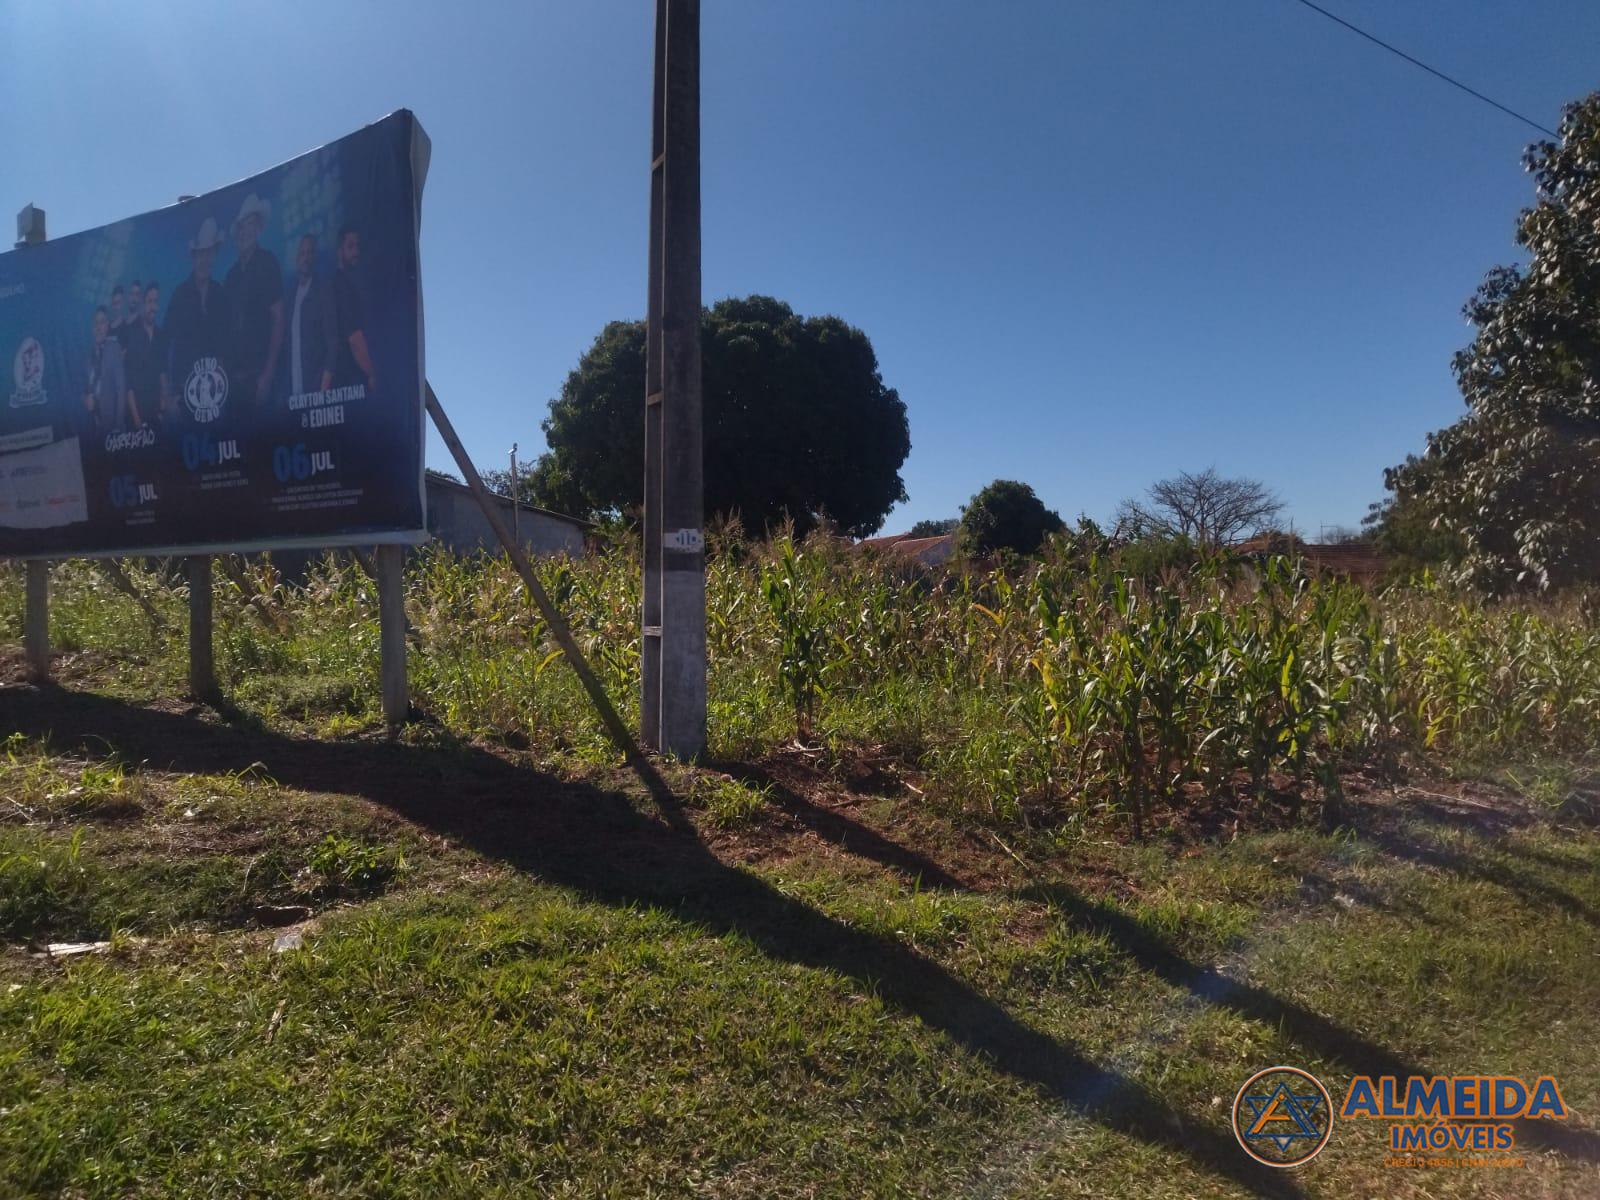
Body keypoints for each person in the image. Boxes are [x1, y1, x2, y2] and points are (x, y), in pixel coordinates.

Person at [165, 216, 233, 424]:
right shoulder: (180, 295)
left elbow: (227, 346)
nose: (205, 260)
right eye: (201, 254)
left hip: (218, 394)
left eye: (209, 253)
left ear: (214, 256)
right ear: (193, 257)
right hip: (183, 394)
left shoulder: (221, 295)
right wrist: (167, 395)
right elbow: (165, 345)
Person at [224, 193, 283, 407]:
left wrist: (268, 374)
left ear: (258, 229)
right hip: (233, 380)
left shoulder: (267, 263)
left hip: (259, 377)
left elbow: (278, 318)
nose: (244, 231)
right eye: (241, 226)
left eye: (250, 224)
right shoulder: (231, 276)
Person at [286, 233, 337, 396]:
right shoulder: (290, 295)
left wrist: (323, 390)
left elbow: (333, 344)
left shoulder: (324, 291)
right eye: (302, 253)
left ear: (315, 257)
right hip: (294, 393)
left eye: (310, 253)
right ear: (297, 259)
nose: (306, 258)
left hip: (317, 390)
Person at [332, 225, 376, 395]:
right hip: (351, 381)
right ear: (340, 251)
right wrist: (371, 374)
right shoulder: (342, 286)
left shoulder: (348, 283)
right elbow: (354, 338)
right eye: (350, 247)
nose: (356, 252)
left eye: (357, 246)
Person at [123, 282, 168, 428]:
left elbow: (162, 373)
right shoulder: (130, 333)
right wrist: (137, 421)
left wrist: (162, 410)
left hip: (156, 415)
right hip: (135, 418)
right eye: (149, 301)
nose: (153, 307)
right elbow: (128, 383)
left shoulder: (161, 336)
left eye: (155, 302)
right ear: (142, 304)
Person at [83, 305, 130, 433]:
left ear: (108, 326)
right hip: (93, 424)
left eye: (102, 322)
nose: (98, 327)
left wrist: (119, 425)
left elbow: (121, 389)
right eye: (96, 323)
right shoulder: (89, 354)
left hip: (111, 424)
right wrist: (85, 399)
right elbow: (85, 387)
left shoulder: (114, 348)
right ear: (92, 328)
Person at [119, 281, 143, 349]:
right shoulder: (122, 322)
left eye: (137, 295)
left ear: (140, 298)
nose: (133, 298)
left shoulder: (141, 325)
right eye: (131, 294)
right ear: (128, 297)